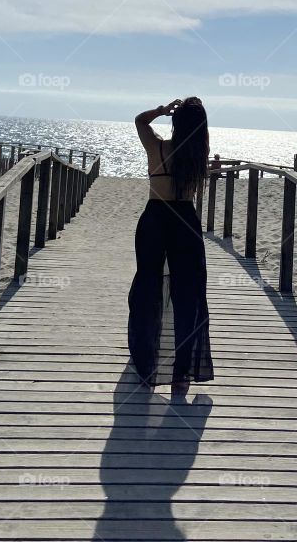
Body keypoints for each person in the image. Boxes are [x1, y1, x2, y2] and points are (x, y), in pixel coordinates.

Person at [128, 97, 214, 397]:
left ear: (176, 123)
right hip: (184, 223)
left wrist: (161, 111)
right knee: (188, 295)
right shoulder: (196, 157)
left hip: (155, 219)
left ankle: (145, 360)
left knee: (148, 287)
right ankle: (181, 375)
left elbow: (140, 120)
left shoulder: (159, 148)